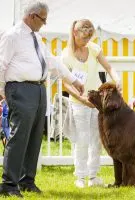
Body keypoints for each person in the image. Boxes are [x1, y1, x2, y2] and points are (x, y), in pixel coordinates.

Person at [0, 1, 84, 198]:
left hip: (39, 89)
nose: (44, 23)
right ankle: (8, 184)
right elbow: (1, 64)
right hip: (20, 88)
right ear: (32, 16)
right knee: (19, 136)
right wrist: (1, 91)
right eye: (43, 19)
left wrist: (73, 80)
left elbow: (52, 61)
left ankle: (27, 180)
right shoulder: (12, 36)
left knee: (35, 136)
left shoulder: (36, 37)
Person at [61, 19, 121, 188]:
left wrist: (117, 79)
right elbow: (66, 82)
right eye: (84, 38)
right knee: (82, 140)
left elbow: (109, 67)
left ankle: (93, 176)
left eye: (89, 38)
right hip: (78, 103)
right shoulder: (66, 55)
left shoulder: (94, 49)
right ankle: (80, 176)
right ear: (74, 33)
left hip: (97, 103)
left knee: (96, 139)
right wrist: (81, 99)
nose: (87, 41)